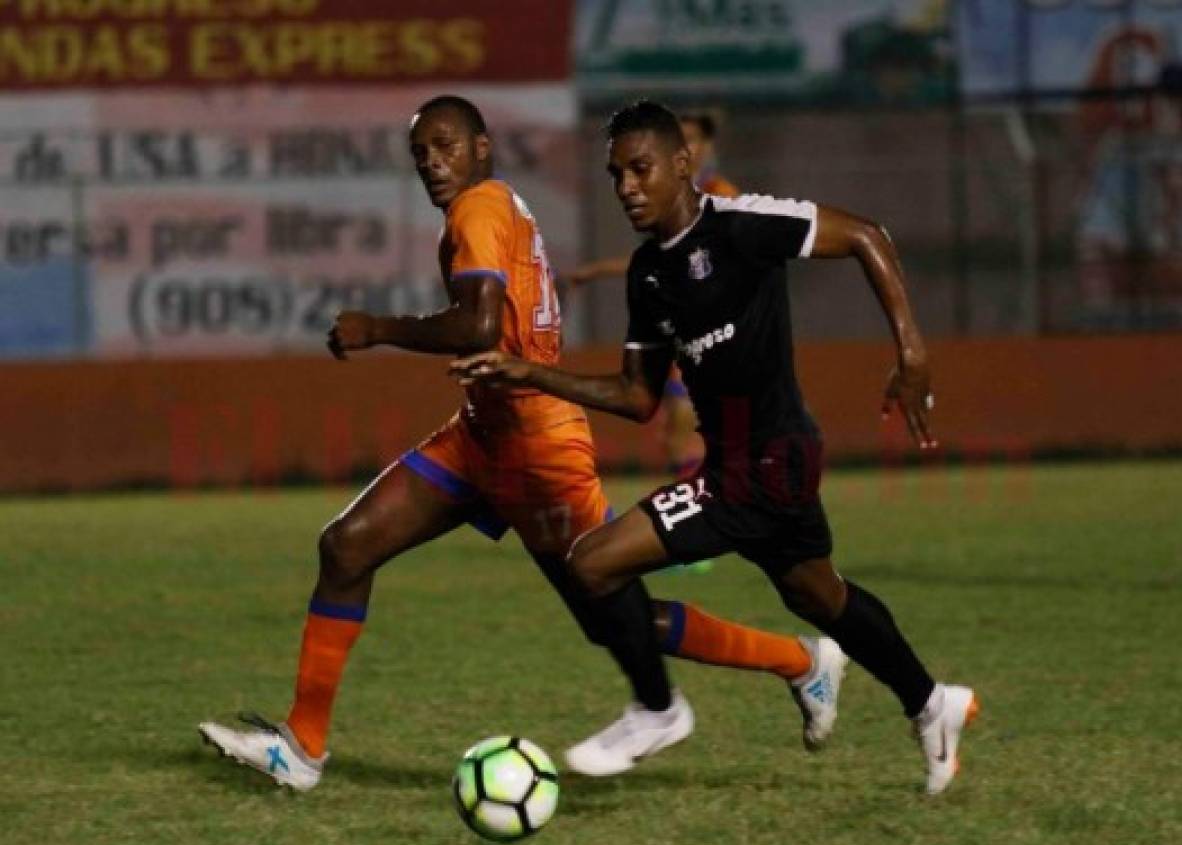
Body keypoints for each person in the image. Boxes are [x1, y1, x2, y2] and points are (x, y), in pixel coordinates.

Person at [198, 95, 849, 791]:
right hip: (481, 434)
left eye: (445, 146)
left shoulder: (479, 208)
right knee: (346, 545)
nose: (432, 163)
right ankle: (302, 747)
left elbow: (479, 326)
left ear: (481, 147)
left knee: (614, 616)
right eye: (420, 153)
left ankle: (798, 662)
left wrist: (378, 327)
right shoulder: (496, 204)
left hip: (538, 443)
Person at [454, 99, 979, 795]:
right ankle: (929, 703)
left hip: (768, 464)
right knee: (818, 595)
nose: (627, 188)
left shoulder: (742, 226)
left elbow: (865, 234)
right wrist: (530, 372)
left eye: (640, 169)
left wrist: (911, 352)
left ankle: (656, 710)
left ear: (682, 164)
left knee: (591, 563)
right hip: (743, 464)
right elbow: (638, 397)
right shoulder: (647, 273)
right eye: (615, 175)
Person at [565, 111, 739, 480]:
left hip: (719, 330)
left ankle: (713, 507)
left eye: (693, 140)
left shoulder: (721, 198)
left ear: (705, 147)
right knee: (677, 429)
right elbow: (661, 259)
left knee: (687, 422)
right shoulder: (675, 200)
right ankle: (703, 506)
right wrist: (593, 272)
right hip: (685, 326)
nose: (687, 148)